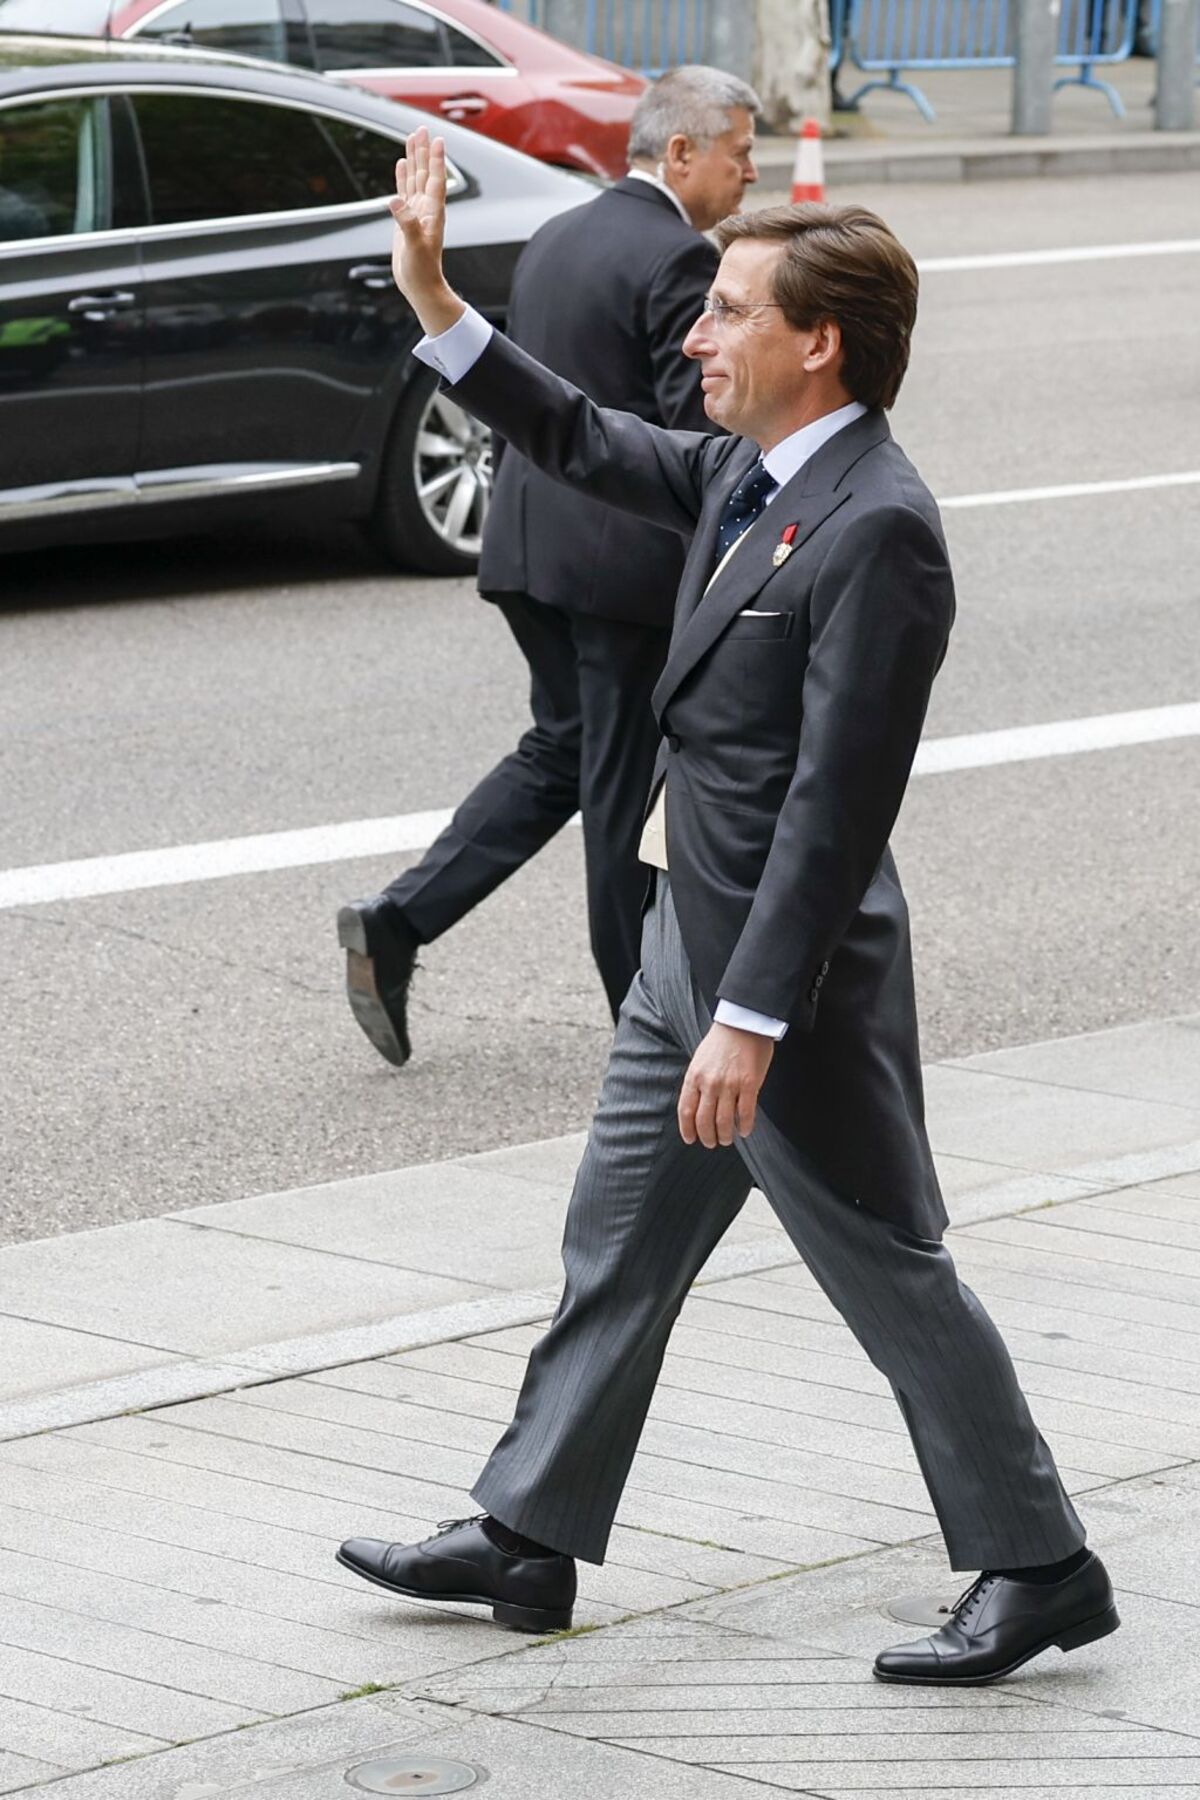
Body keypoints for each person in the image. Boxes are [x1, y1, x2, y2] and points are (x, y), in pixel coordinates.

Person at [336, 128, 1121, 1686]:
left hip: (788, 979)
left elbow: (838, 807)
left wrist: (753, 1015)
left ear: (816, 344)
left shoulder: (879, 527)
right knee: (616, 1244)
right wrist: (433, 298)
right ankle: (527, 1536)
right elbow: (569, 432)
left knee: (888, 1264)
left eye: (728, 311)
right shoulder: (741, 478)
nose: (693, 333)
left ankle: (1039, 1563)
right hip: (688, 941)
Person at [337, 67, 760, 1064]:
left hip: (529, 546)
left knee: (565, 752)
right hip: (620, 570)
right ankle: (646, 1039)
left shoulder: (563, 231)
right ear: (683, 153)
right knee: (620, 799)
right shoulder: (677, 260)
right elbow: (684, 434)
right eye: (740, 150)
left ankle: (398, 920)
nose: (752, 171)